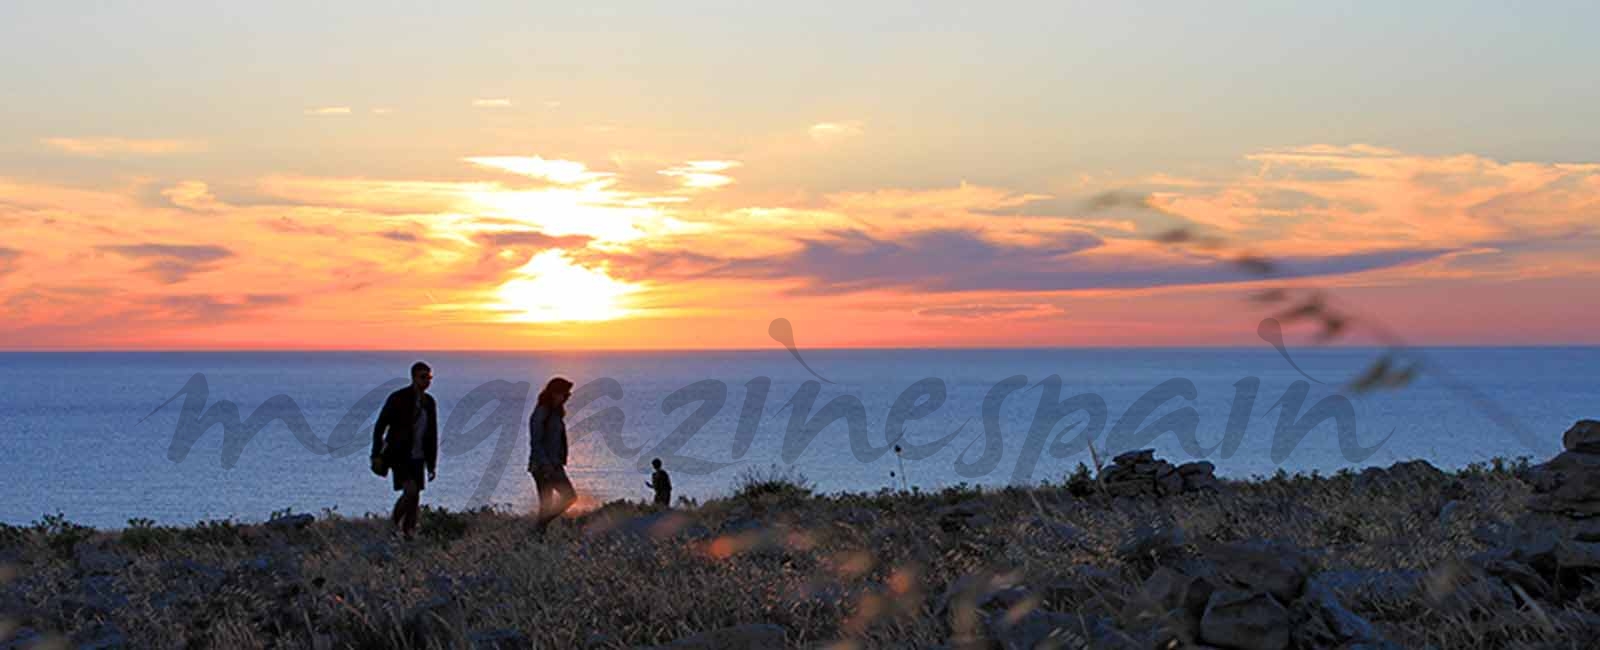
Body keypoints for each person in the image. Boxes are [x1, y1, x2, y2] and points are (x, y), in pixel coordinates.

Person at [371, 361, 438, 540]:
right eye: (423, 377)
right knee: (410, 491)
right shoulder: (398, 398)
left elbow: (432, 434)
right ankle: (392, 525)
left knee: (415, 499)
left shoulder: (429, 403)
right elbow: (380, 426)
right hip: (399, 455)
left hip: (419, 456)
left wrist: (432, 464)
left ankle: (409, 533)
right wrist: (376, 454)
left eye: (429, 377)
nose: (427, 381)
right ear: (414, 377)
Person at [528, 377, 577, 534]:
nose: (567, 397)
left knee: (550, 504)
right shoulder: (542, 412)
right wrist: (546, 464)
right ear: (554, 393)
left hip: (554, 464)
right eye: (565, 394)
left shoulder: (555, 413)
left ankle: (539, 531)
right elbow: (536, 441)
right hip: (544, 466)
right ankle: (539, 530)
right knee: (567, 497)